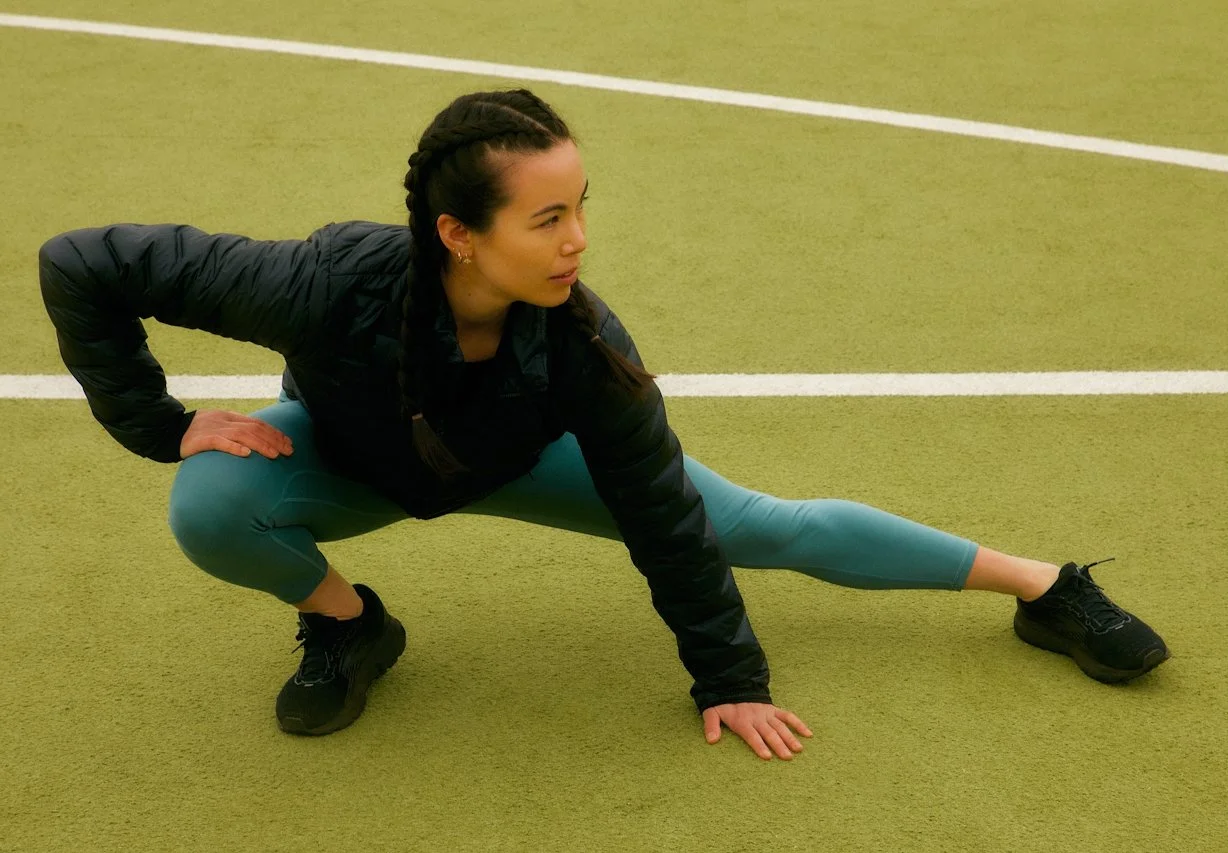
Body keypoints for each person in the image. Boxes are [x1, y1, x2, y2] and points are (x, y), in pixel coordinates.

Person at [37, 87, 1168, 762]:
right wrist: (165, 423)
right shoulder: (327, 281)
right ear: (457, 232)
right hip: (356, 454)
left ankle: (1038, 587)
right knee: (213, 504)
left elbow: (666, 525)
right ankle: (350, 626)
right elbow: (82, 263)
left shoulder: (583, 347)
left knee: (756, 525)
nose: (577, 238)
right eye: (546, 217)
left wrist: (729, 677)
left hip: (528, 457)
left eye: (581, 206)